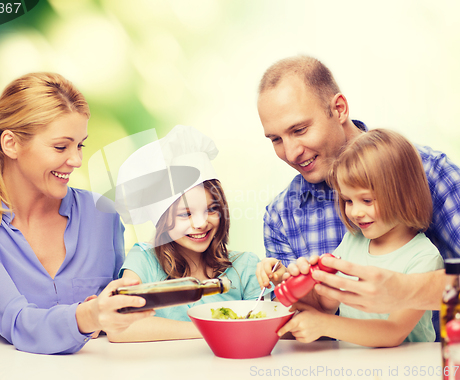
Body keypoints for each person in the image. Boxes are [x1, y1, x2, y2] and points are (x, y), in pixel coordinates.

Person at [0, 73, 153, 355]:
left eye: (80, 145)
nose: (76, 160)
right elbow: (17, 322)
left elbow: (119, 316)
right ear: (11, 144)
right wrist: (90, 314)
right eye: (61, 146)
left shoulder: (102, 215)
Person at [256, 55, 460, 314]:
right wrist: (287, 287)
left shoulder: (429, 172)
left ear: (339, 109)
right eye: (276, 139)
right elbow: (294, 323)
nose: (291, 152)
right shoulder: (281, 216)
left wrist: (404, 289)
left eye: (299, 130)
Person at [274, 129, 443, 346]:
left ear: (403, 193)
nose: (355, 212)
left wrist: (324, 325)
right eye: (348, 201)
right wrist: (300, 284)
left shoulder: (423, 256)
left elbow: (394, 332)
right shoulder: (353, 242)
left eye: (366, 200)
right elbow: (327, 304)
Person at [107, 125, 265, 342]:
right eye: (185, 214)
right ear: (162, 219)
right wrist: (213, 330)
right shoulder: (144, 260)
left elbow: (264, 326)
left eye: (211, 209)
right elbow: (120, 327)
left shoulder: (245, 267)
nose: (201, 223)